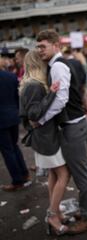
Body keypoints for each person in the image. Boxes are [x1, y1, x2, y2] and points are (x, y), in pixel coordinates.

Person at [35, 29, 87, 234]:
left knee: (81, 174)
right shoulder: (65, 63)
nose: (40, 50)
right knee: (85, 171)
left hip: (73, 126)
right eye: (38, 46)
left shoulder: (57, 66)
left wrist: (42, 119)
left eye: (43, 46)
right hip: (78, 123)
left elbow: (61, 100)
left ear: (56, 45)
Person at [19, 50, 70, 235]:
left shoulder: (31, 84)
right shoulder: (34, 85)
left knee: (54, 175)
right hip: (45, 139)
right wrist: (51, 94)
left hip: (44, 137)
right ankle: (52, 215)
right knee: (64, 174)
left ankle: (55, 212)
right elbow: (33, 114)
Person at [0, 56, 30, 192]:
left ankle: (17, 180)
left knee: (7, 150)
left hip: (2, 120)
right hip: (13, 115)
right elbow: (17, 96)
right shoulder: (11, 76)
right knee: (14, 146)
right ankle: (24, 173)